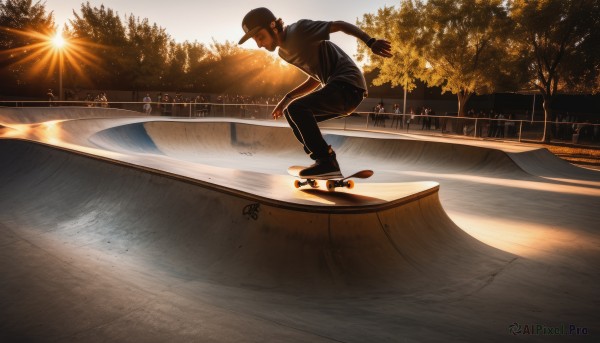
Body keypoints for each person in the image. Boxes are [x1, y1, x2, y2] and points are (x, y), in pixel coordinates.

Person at [238, 7, 392, 178]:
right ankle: (324, 160)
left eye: (260, 37)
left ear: (273, 26)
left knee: (297, 110)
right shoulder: (283, 53)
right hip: (340, 89)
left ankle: (326, 161)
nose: (259, 44)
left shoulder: (299, 31)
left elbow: (340, 25)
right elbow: (315, 78)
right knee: (293, 115)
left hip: (348, 85)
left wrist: (370, 41)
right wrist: (285, 100)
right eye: (255, 40)